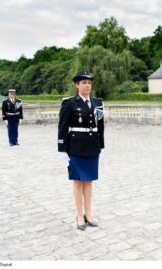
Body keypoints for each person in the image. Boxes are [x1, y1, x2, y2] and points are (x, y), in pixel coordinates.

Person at [58, 71, 105, 231]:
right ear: (77, 85)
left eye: (89, 82)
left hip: (92, 146)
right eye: (84, 82)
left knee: (89, 182)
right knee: (78, 182)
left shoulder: (98, 103)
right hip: (75, 148)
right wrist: (62, 149)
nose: (87, 85)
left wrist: (101, 145)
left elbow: (101, 126)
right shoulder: (69, 103)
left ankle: (89, 215)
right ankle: (79, 215)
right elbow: (62, 127)